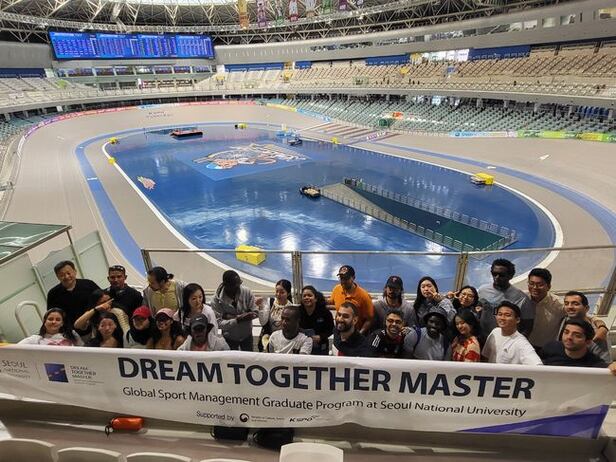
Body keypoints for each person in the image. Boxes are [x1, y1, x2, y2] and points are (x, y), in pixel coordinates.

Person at [478, 259, 534, 337]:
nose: (497, 277)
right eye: (494, 274)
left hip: (507, 340)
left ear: (510, 276)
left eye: (501, 275)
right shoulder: (482, 291)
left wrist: (514, 342)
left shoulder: (522, 298)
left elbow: (527, 327)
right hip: (483, 338)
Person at [211, 270, 260, 351]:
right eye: (235, 285)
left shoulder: (247, 292)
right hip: (229, 338)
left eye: (239, 283)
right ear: (226, 285)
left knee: (249, 357)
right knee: (230, 358)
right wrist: (238, 319)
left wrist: (229, 316)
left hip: (247, 336)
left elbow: (255, 312)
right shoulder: (215, 300)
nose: (238, 287)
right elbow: (219, 323)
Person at [481, 301, 542, 366]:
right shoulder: (495, 332)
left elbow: (538, 365)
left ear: (517, 320)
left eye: (507, 315)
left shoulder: (521, 343)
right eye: (500, 314)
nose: (502, 318)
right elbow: (485, 356)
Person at [557, 291, 610, 363]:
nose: (570, 307)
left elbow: (604, 362)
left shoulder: (597, 333)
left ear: (586, 308)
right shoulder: (564, 320)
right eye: (566, 304)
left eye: (575, 304)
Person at [46, 260, 100, 329]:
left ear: (75, 271)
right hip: (71, 331)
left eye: (68, 273)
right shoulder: (53, 294)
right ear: (57, 277)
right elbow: (52, 316)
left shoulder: (88, 284)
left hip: (97, 324)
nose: (66, 277)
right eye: (62, 275)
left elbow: (102, 299)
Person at [541, 319, 608, 368]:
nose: (569, 337)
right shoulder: (551, 347)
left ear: (588, 342)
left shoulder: (595, 364)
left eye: (577, 335)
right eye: (566, 332)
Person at [526, 268, 564, 351]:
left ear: (549, 287)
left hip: (547, 349)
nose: (535, 287)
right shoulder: (522, 298)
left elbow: (581, 314)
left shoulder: (559, 304)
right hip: (524, 346)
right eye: (531, 284)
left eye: (540, 284)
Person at [329, 265, 374, 335]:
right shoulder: (336, 289)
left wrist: (360, 334)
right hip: (339, 331)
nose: (343, 281)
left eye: (346, 278)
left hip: (355, 334)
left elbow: (369, 319)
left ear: (353, 278)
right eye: (341, 278)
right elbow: (332, 302)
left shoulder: (364, 296)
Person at [257, 279, 294, 351]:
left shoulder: (291, 308)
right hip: (268, 339)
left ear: (288, 293)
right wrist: (261, 308)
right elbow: (263, 322)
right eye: (277, 291)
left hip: (283, 341)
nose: (278, 294)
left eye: (282, 292)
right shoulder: (270, 302)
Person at [18, 308, 83, 346]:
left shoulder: (72, 334)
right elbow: (15, 348)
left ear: (62, 323)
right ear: (44, 322)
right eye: (50, 319)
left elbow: (82, 351)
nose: (53, 322)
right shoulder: (35, 339)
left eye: (58, 320)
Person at [298, 285, 334, 355]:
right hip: (302, 346)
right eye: (304, 296)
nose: (306, 298)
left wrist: (321, 337)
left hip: (321, 347)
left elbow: (331, 329)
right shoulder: (297, 312)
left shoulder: (325, 313)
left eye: (309, 295)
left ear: (315, 299)